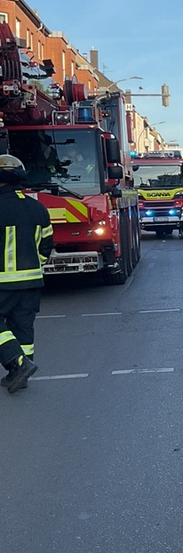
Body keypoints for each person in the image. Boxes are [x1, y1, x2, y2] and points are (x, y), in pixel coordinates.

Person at [0, 154, 52, 393]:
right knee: (23, 328)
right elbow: (46, 245)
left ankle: (20, 364)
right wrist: (34, 267)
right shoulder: (37, 208)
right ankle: (19, 375)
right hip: (31, 282)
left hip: (2, 283)